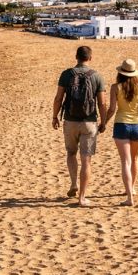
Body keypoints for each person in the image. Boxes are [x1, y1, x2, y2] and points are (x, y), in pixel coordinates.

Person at [53, 46, 108, 206]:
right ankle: (82, 197)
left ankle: (73, 184)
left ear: (76, 57)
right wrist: (103, 122)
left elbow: (58, 98)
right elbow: (102, 103)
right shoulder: (97, 76)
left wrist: (55, 116)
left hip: (70, 121)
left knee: (71, 153)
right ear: (90, 58)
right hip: (89, 122)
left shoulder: (66, 74)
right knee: (86, 160)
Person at [106, 59, 138, 207]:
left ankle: (129, 197)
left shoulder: (115, 87)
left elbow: (112, 109)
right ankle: (132, 188)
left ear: (120, 72)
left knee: (125, 161)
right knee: (134, 159)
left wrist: (104, 123)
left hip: (121, 125)